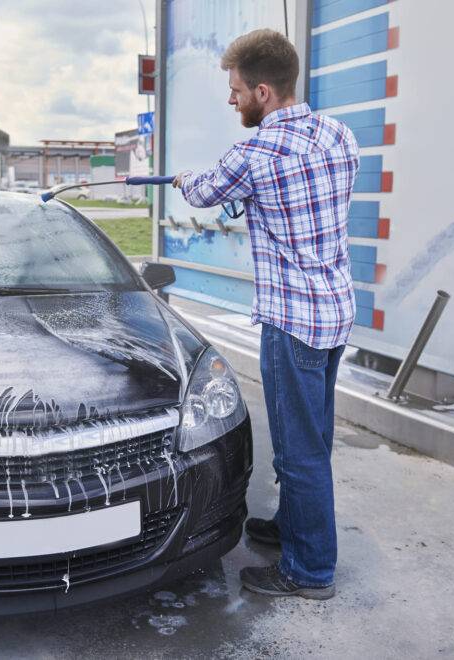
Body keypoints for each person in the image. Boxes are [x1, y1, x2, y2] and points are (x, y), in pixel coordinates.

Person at [173, 28, 359, 600]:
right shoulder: (339, 134)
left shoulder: (255, 152)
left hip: (293, 324)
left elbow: (204, 192)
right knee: (314, 439)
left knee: (298, 450)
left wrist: (183, 179)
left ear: (262, 91)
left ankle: (309, 571)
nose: (231, 101)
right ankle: (294, 530)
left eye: (235, 91)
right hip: (334, 315)